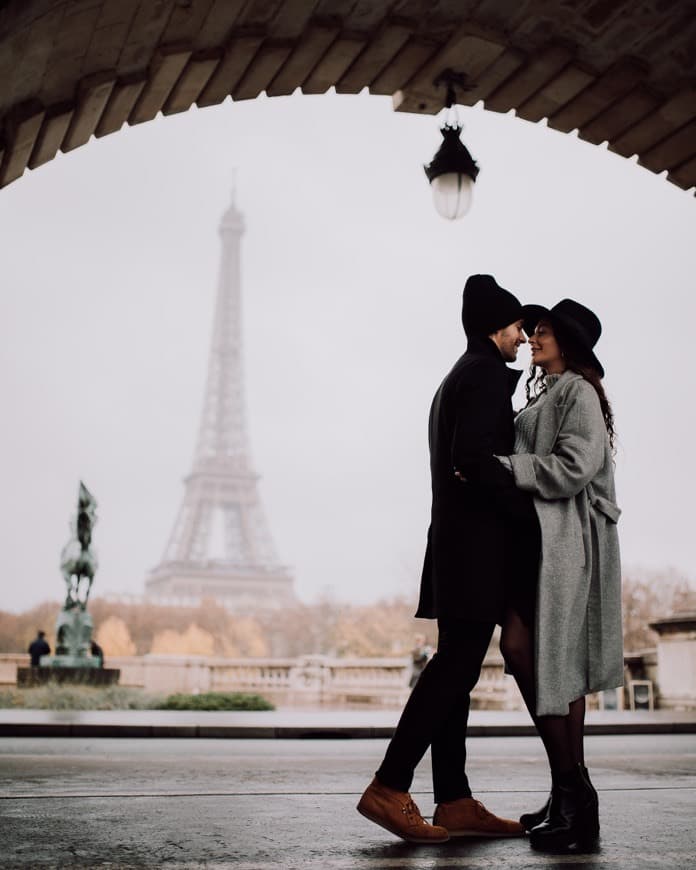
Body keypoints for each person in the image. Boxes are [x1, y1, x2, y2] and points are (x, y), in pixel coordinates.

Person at [357, 274, 534, 843]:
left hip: (453, 545)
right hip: (477, 549)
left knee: (455, 667)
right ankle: (389, 785)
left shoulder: (453, 379)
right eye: (516, 328)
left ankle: (454, 799)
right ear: (496, 326)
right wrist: (523, 509)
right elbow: (476, 461)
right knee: (455, 667)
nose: (521, 339)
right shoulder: (485, 375)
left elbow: (463, 462)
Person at [496, 299, 623, 854]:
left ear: (568, 343)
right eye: (533, 331)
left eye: (543, 331)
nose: (532, 337)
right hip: (538, 542)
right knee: (530, 652)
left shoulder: (577, 392)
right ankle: (568, 789)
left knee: (549, 660)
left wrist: (503, 468)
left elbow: (575, 467)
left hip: (565, 542)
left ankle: (576, 799)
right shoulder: (548, 391)